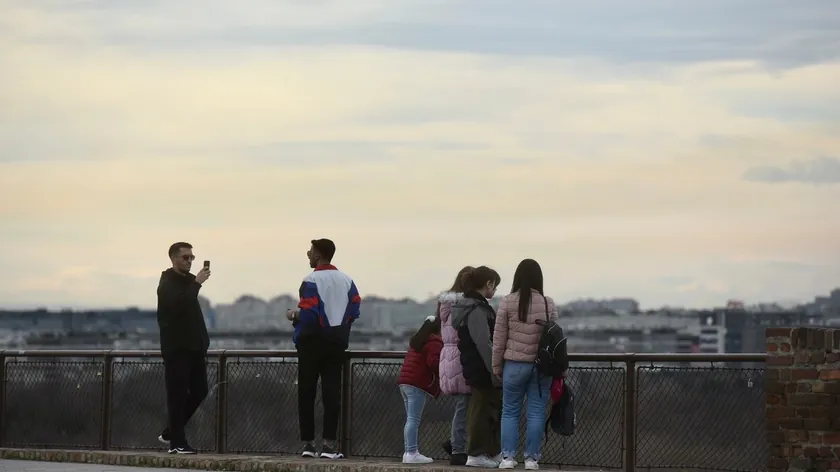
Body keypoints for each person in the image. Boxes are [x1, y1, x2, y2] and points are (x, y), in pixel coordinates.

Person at [286, 238, 361, 460]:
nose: (308, 254)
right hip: (337, 342)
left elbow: (309, 314)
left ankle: (308, 444)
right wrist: (339, 324)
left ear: (318, 254)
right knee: (332, 394)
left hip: (311, 343)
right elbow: (355, 307)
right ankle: (329, 445)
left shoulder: (311, 279)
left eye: (310, 251)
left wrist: (294, 315)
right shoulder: (347, 280)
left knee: (307, 392)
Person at [492, 259, 558, 470]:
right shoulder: (548, 303)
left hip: (514, 364)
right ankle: (532, 459)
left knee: (510, 412)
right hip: (541, 367)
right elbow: (555, 338)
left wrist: (496, 366)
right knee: (536, 412)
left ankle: (508, 458)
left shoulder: (507, 302)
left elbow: (499, 339)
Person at [156, 241, 211, 454]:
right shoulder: (167, 282)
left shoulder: (188, 281)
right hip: (177, 348)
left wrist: (203, 342)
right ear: (173, 259)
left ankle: (172, 431)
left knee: (200, 391)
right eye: (185, 257)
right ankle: (177, 443)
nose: (189, 261)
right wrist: (197, 283)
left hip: (194, 348)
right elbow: (179, 304)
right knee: (177, 395)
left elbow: (191, 309)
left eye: (191, 257)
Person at [451, 265, 503, 468]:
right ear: (488, 283)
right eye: (495, 286)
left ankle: (489, 451)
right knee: (482, 410)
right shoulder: (477, 309)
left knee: (486, 407)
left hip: (473, 364)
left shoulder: (467, 306)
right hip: (481, 366)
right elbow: (484, 342)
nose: (495, 291)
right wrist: (495, 367)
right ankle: (477, 453)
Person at [438, 266, 475, 466]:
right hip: (462, 356)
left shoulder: (446, 305)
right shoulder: (466, 306)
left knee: (463, 405)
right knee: (464, 406)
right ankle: (458, 448)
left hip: (448, 355)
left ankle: (455, 443)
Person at [397, 315, 444, 464]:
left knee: (410, 418)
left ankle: (408, 452)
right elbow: (433, 362)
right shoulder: (434, 342)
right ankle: (411, 452)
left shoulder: (416, 341)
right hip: (417, 383)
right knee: (413, 419)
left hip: (405, 382)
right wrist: (443, 371)